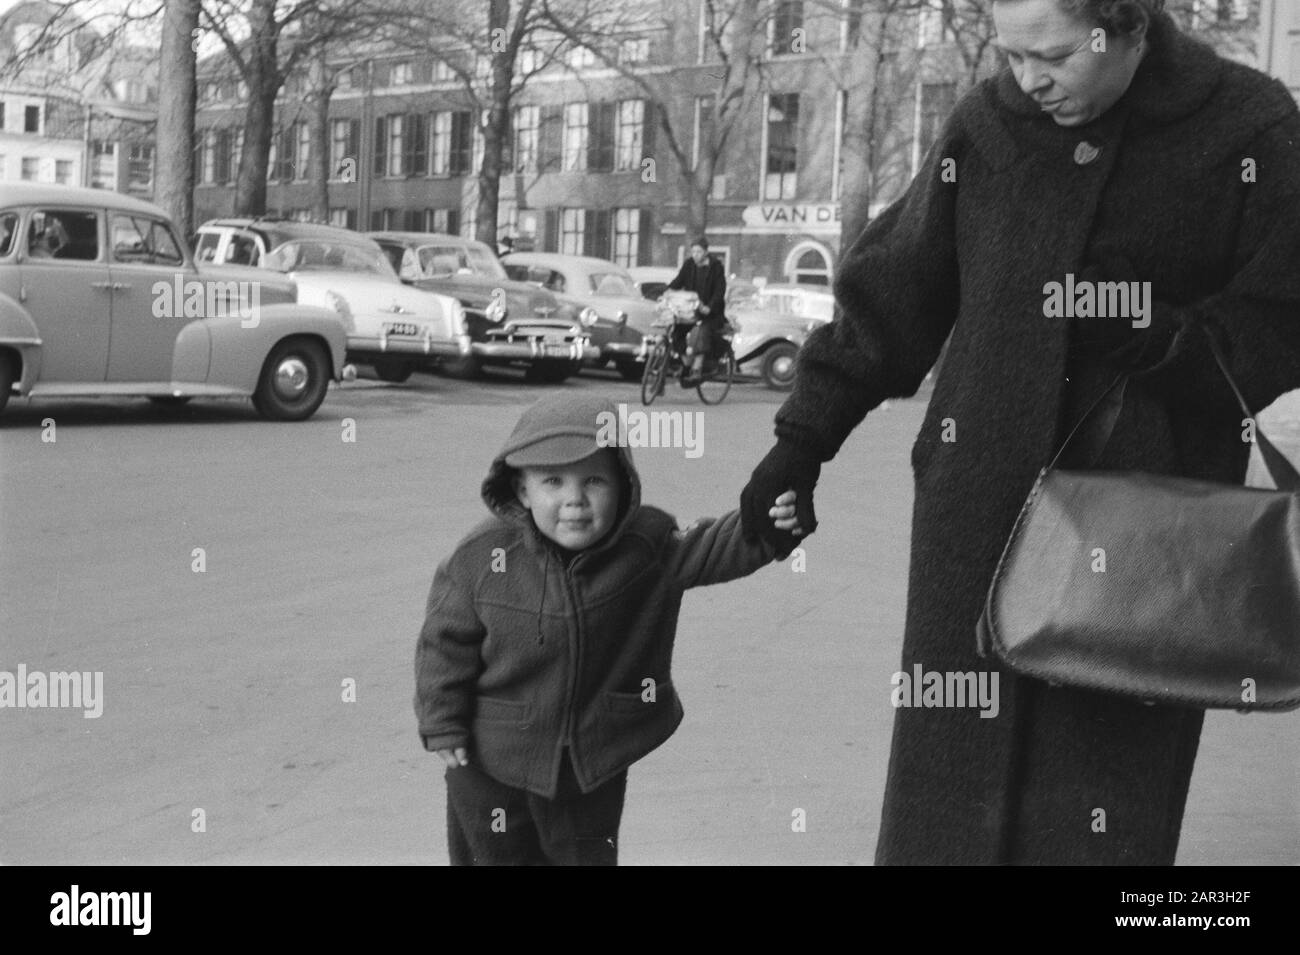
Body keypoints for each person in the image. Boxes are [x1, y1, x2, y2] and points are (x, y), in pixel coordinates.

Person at [740, 0, 1300, 865]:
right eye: (1011, 53)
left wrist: (1180, 341)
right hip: (978, 512)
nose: (1029, 79)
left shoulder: (1250, 126)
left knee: (1102, 792)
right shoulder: (988, 124)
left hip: (1149, 538)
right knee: (949, 775)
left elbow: (1286, 307)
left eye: (1057, 55)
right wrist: (802, 440)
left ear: (1132, 27)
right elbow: (894, 294)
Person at [415, 393, 801, 865]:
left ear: (622, 484)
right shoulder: (481, 557)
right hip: (490, 759)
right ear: (521, 491)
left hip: (590, 765)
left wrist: (770, 523)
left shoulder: (650, 544)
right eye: (552, 481)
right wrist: (442, 723)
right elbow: (443, 646)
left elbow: (719, 546)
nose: (574, 500)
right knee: (495, 856)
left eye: (593, 480)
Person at [666, 237, 727, 386]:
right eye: (693, 251)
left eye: (699, 251)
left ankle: (697, 368)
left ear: (706, 252)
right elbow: (678, 281)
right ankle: (686, 363)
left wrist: (709, 307)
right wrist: (667, 292)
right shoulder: (689, 265)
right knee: (676, 331)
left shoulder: (716, 267)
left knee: (702, 331)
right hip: (690, 310)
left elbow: (720, 290)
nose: (695, 255)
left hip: (710, 312)